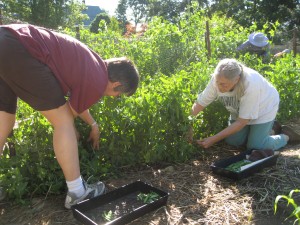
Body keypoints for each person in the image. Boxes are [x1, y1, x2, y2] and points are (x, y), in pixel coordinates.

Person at [0, 24, 140, 209]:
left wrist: (93, 124)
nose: (115, 98)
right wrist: (71, 129)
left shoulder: (94, 65)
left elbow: (75, 106)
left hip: (7, 39)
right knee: (64, 122)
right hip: (21, 49)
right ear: (116, 84)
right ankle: (77, 192)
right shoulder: (97, 81)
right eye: (119, 94)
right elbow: (67, 116)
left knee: (4, 119)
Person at [189, 58, 300, 151]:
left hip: (264, 107)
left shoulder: (251, 83)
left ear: (236, 79)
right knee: (233, 141)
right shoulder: (218, 79)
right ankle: (270, 130)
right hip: (240, 110)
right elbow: (200, 103)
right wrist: (188, 125)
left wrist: (213, 139)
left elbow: (242, 122)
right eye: (217, 82)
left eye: (223, 85)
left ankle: (286, 136)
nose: (218, 87)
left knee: (255, 146)